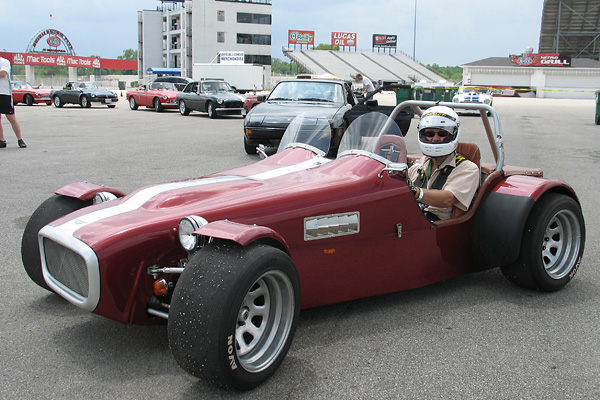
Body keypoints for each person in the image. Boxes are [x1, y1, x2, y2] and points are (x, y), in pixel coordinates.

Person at [407, 106, 479, 220]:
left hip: (436, 226)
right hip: (410, 219)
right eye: (430, 134)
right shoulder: (421, 164)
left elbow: (448, 199)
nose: (435, 139)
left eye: (442, 134)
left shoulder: (467, 169)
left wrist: (415, 192)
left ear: (453, 134)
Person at [0, 56, 26, 148]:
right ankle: (1, 140)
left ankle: (20, 139)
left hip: (4, 93)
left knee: (11, 117)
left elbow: (3, 73)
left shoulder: (4, 62)